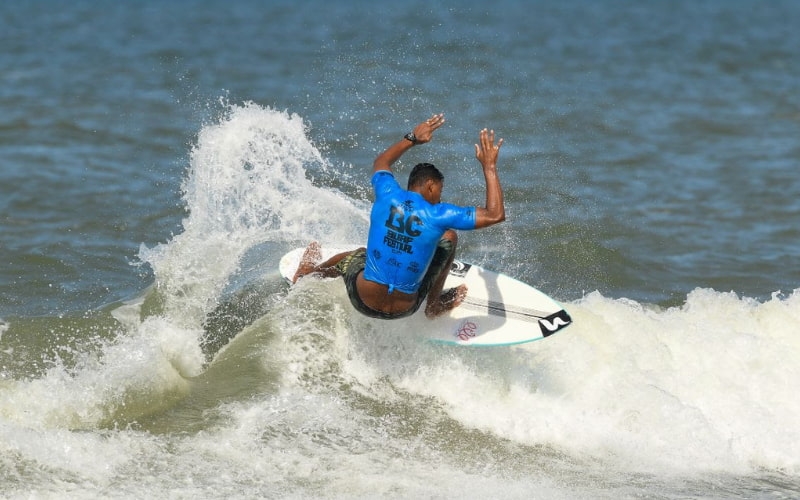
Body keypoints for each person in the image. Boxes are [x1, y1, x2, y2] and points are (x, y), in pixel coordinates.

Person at [293, 113, 506, 320]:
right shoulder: (439, 214)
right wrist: (489, 166)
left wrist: (412, 138)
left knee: (356, 255)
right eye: (439, 191)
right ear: (430, 185)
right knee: (449, 237)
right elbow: (495, 215)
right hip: (406, 308)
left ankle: (308, 274)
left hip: (362, 300)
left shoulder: (387, 193)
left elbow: (381, 162)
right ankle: (433, 306)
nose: (439, 199)